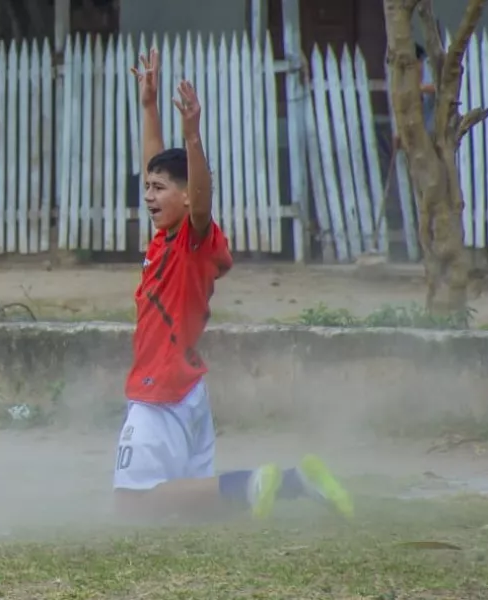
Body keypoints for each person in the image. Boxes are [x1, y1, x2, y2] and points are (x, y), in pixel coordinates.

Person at [114, 49, 354, 522]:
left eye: (160, 189)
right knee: (186, 508)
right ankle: (294, 482)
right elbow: (162, 170)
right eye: (148, 188)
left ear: (185, 196)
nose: (149, 196)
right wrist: (148, 106)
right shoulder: (166, 238)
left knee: (131, 507)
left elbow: (200, 199)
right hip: (185, 390)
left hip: (160, 389)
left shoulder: (191, 239)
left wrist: (193, 135)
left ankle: (259, 483)